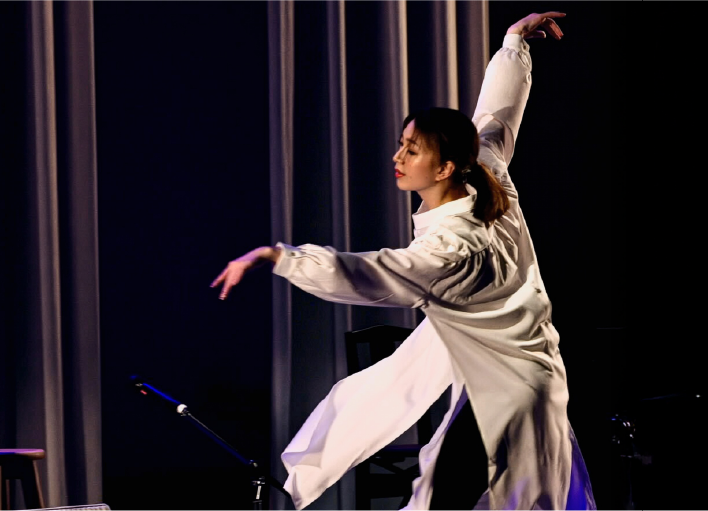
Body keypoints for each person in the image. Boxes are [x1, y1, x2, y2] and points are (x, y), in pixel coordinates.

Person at [212, 11, 596, 511]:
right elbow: (496, 116)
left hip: (511, 397)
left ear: (445, 167)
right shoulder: (486, 171)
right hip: (513, 376)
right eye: (401, 144)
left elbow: (372, 274)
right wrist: (513, 44)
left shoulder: (454, 247)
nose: (398, 157)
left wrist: (280, 257)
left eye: (412, 150)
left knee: (476, 497)